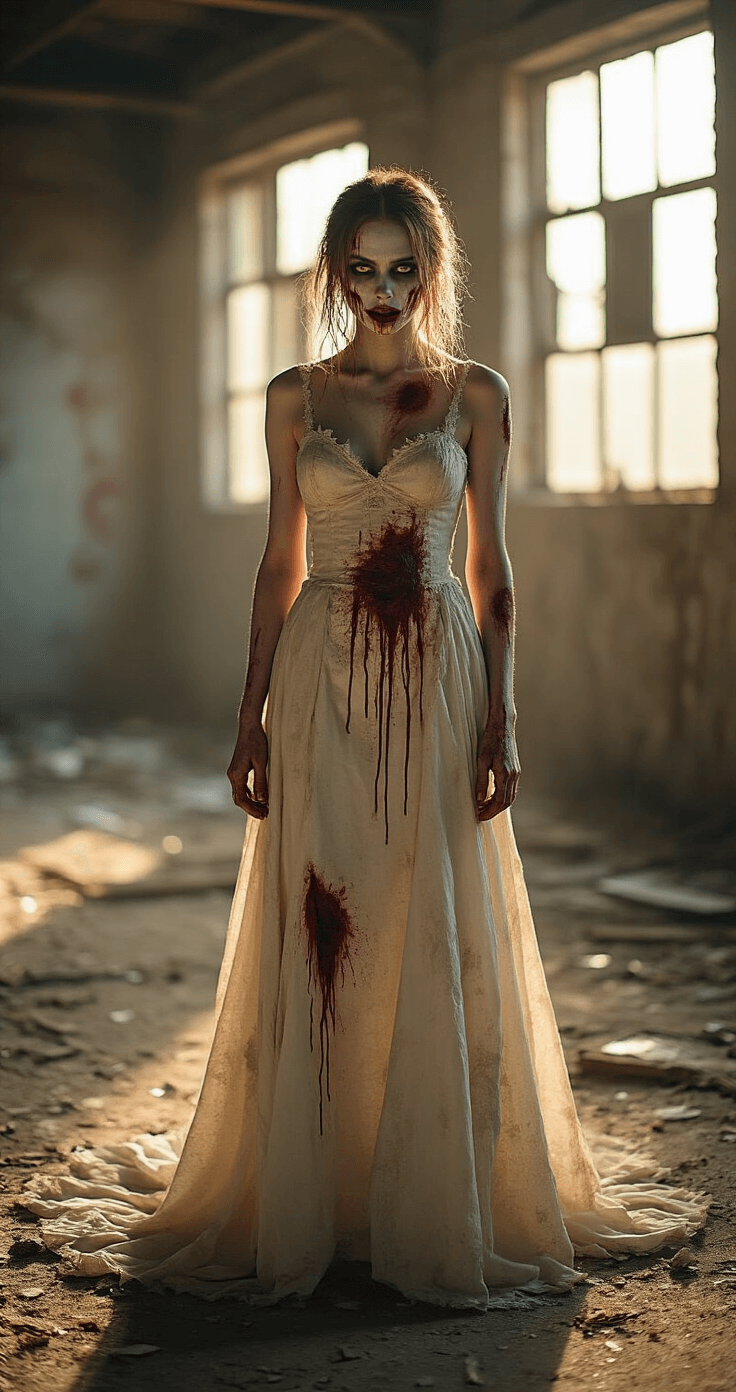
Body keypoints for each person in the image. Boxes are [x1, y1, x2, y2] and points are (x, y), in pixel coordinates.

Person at [26, 168, 706, 1309]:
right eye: (362, 270)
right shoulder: (295, 397)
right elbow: (277, 561)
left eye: (403, 269)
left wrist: (505, 713)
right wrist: (245, 717)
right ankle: (322, 1193)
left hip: (436, 673)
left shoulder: (475, 395)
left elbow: (490, 570)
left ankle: (430, 1193)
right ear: (333, 274)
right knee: (322, 919)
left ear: (428, 272)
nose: (383, 293)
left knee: (428, 907)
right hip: (319, 674)